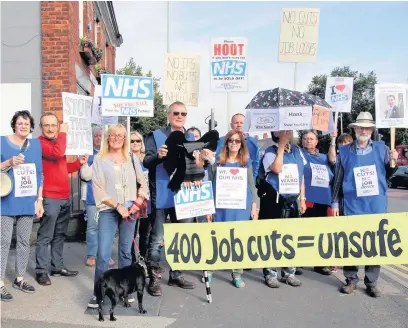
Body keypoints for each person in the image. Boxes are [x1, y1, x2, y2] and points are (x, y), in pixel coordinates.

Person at [331, 112, 399, 298]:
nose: (364, 130)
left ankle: (372, 282)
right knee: (351, 242)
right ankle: (351, 279)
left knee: (374, 243)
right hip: (352, 204)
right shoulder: (344, 151)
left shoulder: (382, 148)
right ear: (354, 129)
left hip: (375, 204)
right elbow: (338, 178)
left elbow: (388, 175)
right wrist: (335, 202)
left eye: (367, 127)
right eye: (360, 127)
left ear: (372, 130)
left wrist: (393, 161)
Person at [87, 124, 148, 308]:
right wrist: (117, 205)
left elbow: (142, 183)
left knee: (125, 253)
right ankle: (99, 293)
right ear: (107, 137)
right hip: (109, 210)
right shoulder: (99, 159)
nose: (116, 138)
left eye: (120, 136)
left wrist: (137, 202)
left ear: (124, 139)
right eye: (112, 135)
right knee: (103, 254)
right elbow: (97, 188)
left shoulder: (131, 157)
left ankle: (124, 290)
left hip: (131, 209)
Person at [143, 101, 196, 297]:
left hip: (184, 196)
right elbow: (146, 162)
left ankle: (176, 274)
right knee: (157, 239)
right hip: (162, 194)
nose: (179, 116)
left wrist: (204, 162)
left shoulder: (190, 138)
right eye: (176, 112)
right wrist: (158, 156)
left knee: (180, 238)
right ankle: (154, 277)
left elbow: (195, 167)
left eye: (183, 113)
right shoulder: (155, 136)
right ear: (168, 115)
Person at [35, 113, 88, 286]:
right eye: (46, 125)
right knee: (46, 235)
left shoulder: (57, 143)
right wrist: (64, 133)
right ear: (41, 128)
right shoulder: (40, 143)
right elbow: (57, 154)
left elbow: (63, 167)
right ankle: (41, 271)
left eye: (53, 125)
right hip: (50, 197)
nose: (50, 128)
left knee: (59, 235)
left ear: (57, 126)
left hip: (65, 196)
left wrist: (79, 163)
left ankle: (56, 266)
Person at [1, 110, 44, 301]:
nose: (23, 126)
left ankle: (19, 278)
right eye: (20, 123)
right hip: (6, 200)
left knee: (25, 241)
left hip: (27, 201)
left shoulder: (35, 145)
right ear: (14, 124)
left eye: (27, 123)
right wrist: (8, 163)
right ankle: (0, 283)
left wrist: (39, 200)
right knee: (3, 242)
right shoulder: (2, 141)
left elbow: (40, 174)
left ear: (30, 126)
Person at [209, 130, 258, 288]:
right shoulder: (218, 162)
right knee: (216, 239)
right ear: (226, 143)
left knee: (238, 241)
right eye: (231, 140)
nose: (234, 143)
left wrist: (255, 205)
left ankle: (236, 274)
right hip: (221, 207)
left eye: (237, 141)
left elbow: (252, 186)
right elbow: (209, 184)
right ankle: (209, 270)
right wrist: (208, 208)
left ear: (241, 144)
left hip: (240, 207)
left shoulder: (246, 162)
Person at [258, 130, 306, 288]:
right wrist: (281, 146)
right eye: (284, 130)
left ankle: (289, 273)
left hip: (292, 201)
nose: (288, 132)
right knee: (273, 238)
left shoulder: (297, 151)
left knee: (290, 238)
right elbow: (277, 169)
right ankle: (271, 273)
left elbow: (301, 175)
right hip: (274, 201)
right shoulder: (270, 152)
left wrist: (302, 199)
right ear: (275, 133)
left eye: (289, 130)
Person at [80, 126, 115, 268]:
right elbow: (86, 175)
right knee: (93, 227)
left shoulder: (110, 154)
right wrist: (97, 159)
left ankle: (105, 254)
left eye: (102, 136)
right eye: (96, 136)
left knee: (107, 227)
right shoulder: (88, 154)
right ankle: (91, 255)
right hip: (92, 197)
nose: (99, 138)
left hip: (108, 197)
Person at [300, 130, 334, 276]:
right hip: (308, 200)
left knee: (322, 233)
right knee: (304, 232)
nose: (308, 141)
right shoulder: (299, 155)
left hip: (324, 199)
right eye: (305, 138)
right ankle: (299, 261)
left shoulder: (324, 157)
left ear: (317, 141)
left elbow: (334, 161)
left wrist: (333, 139)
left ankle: (320, 264)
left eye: (311, 138)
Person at [216, 114, 260, 180]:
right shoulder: (222, 140)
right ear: (231, 125)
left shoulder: (253, 142)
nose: (239, 125)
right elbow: (216, 159)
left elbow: (256, 162)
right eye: (236, 123)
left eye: (241, 123)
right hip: (226, 178)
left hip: (246, 179)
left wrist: (253, 179)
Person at [129, 130, 151, 260]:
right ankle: (132, 261)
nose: (135, 143)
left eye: (138, 140)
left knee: (145, 233)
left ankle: (143, 260)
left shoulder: (147, 159)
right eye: (132, 141)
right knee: (131, 233)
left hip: (147, 201)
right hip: (132, 200)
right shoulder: (127, 159)